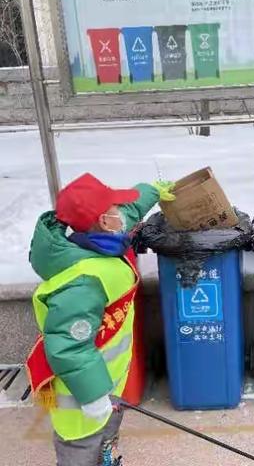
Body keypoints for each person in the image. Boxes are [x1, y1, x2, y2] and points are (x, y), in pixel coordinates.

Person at [26, 173, 175, 466]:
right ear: (105, 221)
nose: (123, 212)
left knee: (106, 435)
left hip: (106, 380)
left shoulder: (102, 237)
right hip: (81, 396)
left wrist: (153, 190)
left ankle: (106, 458)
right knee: (82, 450)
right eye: (115, 208)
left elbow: (131, 209)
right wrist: (93, 396)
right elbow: (68, 346)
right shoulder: (83, 282)